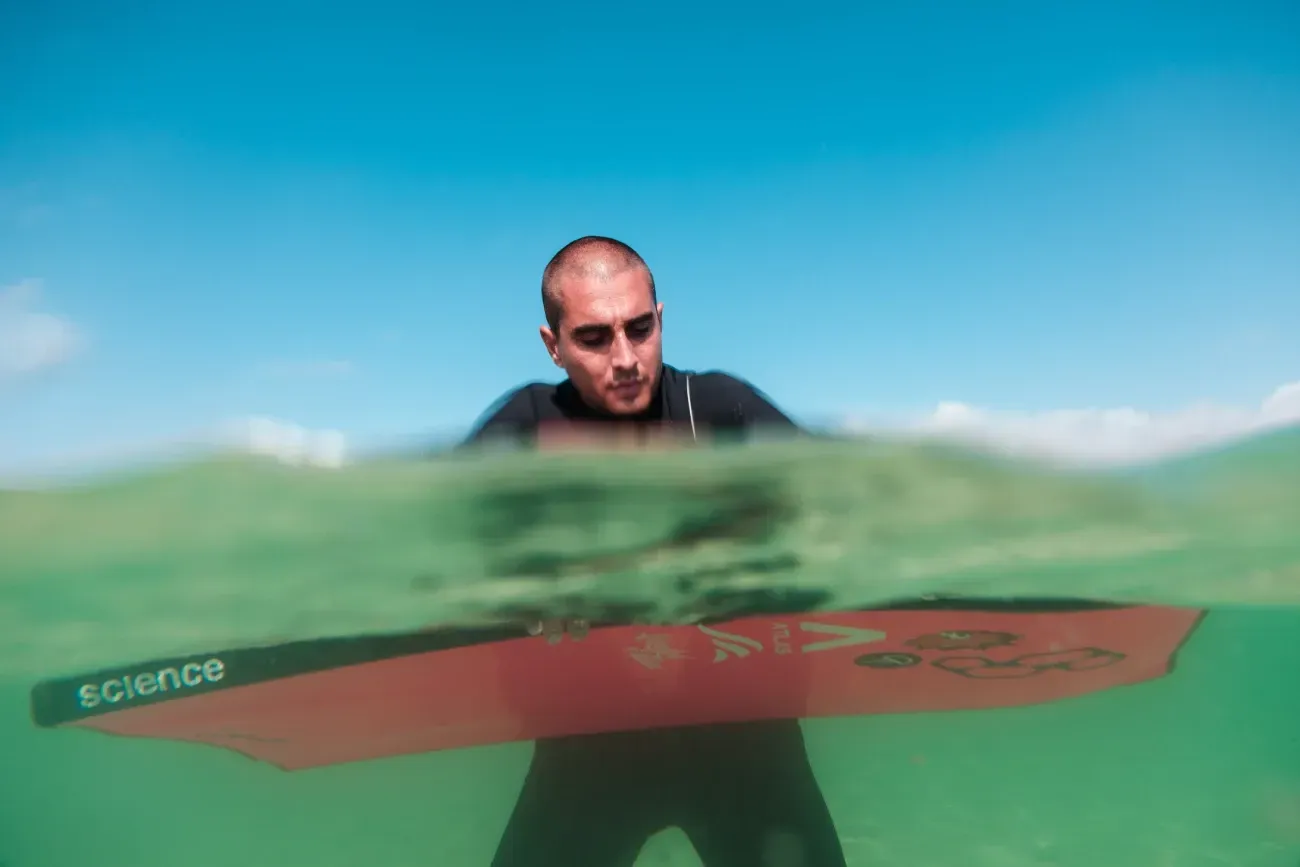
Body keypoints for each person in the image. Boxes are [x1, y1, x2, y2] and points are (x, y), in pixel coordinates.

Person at [463, 236, 848, 867]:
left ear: (660, 319)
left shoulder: (718, 409)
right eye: (593, 338)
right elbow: (452, 539)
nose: (625, 358)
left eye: (640, 329)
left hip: (746, 743)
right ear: (552, 345)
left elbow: (835, 500)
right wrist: (523, 581)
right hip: (589, 750)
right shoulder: (528, 426)